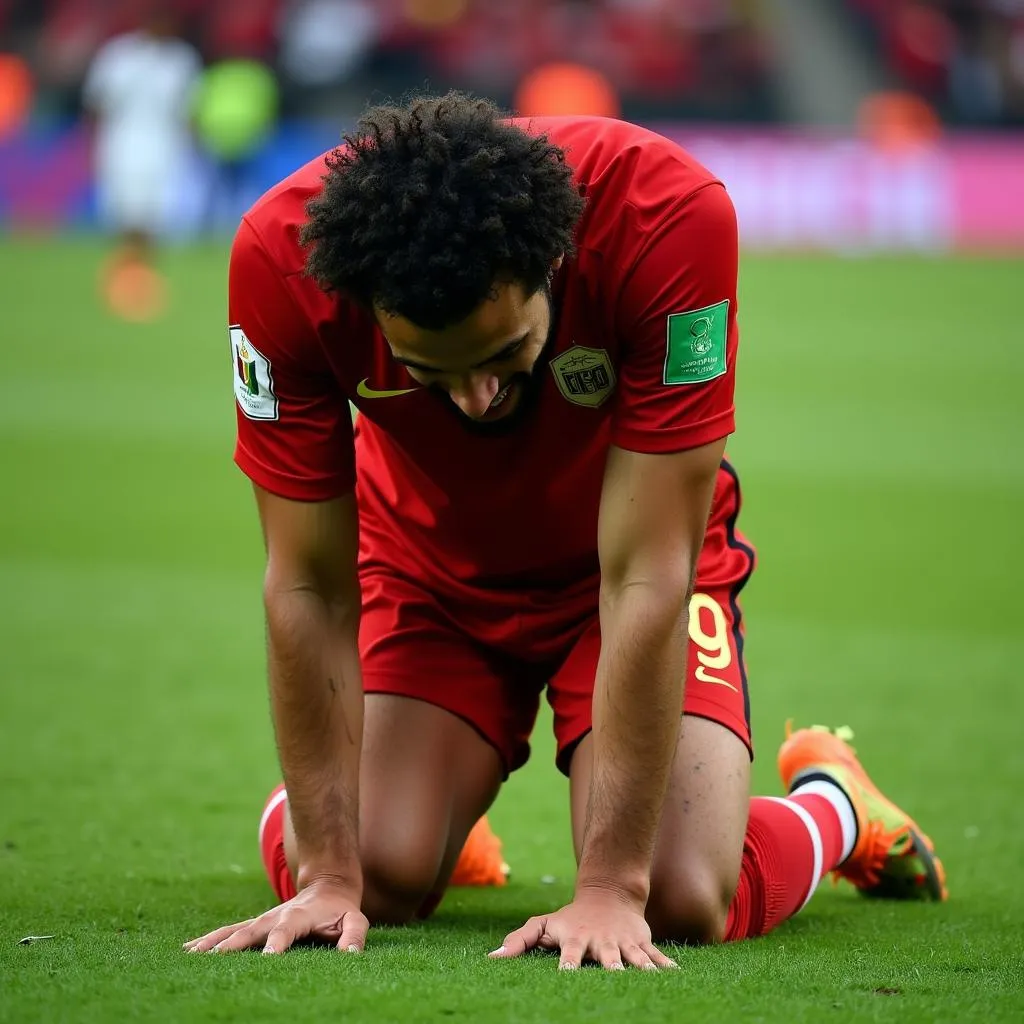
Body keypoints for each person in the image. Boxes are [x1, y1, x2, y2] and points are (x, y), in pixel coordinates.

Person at [186, 93, 946, 968]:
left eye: (504, 355)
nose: (474, 399)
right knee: (378, 877)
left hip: (624, 565)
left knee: (683, 896)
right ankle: (423, 820)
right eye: (432, 372)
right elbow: (308, 584)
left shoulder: (667, 217)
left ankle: (838, 808)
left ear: (553, 261)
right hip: (426, 569)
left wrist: (611, 889)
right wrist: (326, 875)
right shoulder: (282, 263)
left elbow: (647, 572)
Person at [82, 3, 201, 320]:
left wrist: (191, 148)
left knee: (155, 218)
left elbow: (190, 111)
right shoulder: (118, 56)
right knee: (125, 217)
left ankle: (142, 282)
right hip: (120, 146)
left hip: (165, 150)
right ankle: (124, 282)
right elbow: (97, 105)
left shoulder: (182, 61)